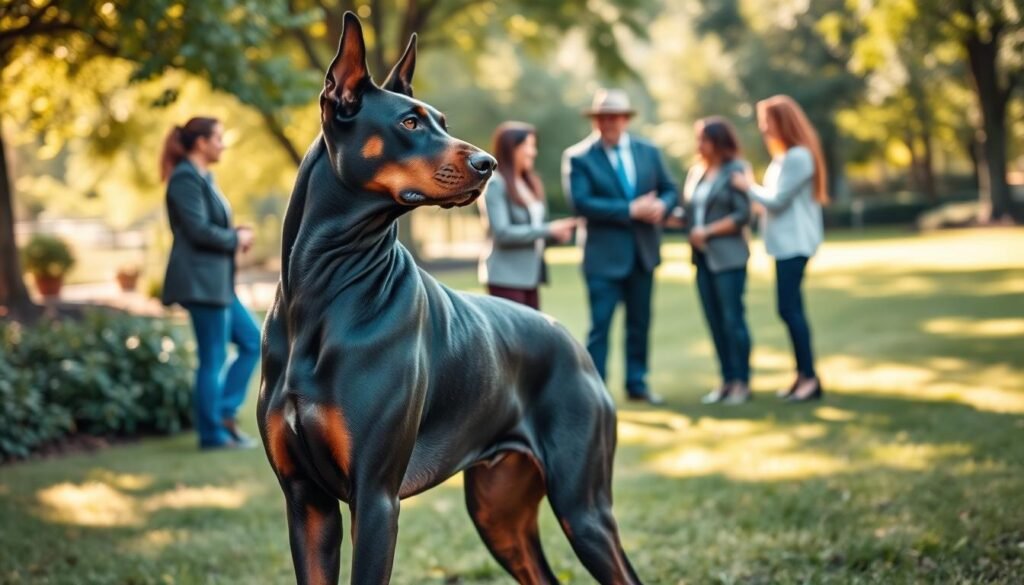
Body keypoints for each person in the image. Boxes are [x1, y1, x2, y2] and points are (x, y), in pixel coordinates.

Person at [561, 89, 678, 405]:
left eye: (613, 117)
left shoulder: (649, 151)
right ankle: (595, 391)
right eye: (602, 117)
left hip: (643, 254)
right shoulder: (578, 156)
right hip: (602, 257)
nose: (607, 123)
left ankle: (637, 384)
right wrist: (630, 209)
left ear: (625, 119)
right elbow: (581, 203)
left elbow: (669, 189)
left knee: (640, 325)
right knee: (600, 327)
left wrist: (661, 207)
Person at [159, 117, 260, 450]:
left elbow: (208, 226)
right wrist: (235, 238)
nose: (222, 144)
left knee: (253, 341)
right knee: (213, 358)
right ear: (201, 142)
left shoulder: (203, 177)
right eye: (218, 138)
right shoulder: (184, 179)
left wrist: (235, 235)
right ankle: (212, 434)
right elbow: (197, 230)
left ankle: (225, 413)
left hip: (217, 284)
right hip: (201, 284)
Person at [731, 95, 827, 402]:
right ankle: (802, 375)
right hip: (783, 244)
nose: (763, 128)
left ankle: (810, 378)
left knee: (789, 309)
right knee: (789, 309)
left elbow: (776, 200)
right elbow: (771, 203)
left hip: (795, 243)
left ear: (781, 121)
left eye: (766, 121)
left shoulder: (799, 157)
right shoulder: (785, 158)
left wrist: (746, 186)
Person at [678, 117, 753, 404]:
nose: (699, 145)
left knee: (733, 320)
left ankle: (742, 382)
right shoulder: (696, 173)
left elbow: (743, 214)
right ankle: (726, 380)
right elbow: (691, 213)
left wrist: (706, 231)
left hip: (729, 257)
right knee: (714, 321)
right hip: (702, 260)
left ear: (719, 142)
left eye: (704, 139)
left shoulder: (736, 171)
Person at [478, 122, 577, 309]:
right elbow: (503, 233)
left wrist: (555, 235)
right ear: (511, 149)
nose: (533, 152)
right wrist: (549, 230)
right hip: (506, 278)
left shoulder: (530, 183)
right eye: (528, 146)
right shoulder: (496, 184)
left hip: (530, 277)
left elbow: (535, 233)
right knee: (512, 338)